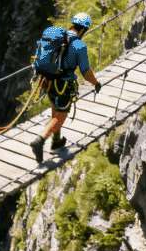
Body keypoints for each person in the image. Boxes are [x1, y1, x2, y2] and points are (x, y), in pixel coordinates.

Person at [30, 13, 102, 163]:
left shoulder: (56, 37)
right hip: (63, 84)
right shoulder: (79, 45)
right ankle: (40, 140)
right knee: (60, 116)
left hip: (47, 80)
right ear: (84, 29)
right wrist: (96, 83)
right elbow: (86, 71)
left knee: (55, 110)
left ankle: (56, 140)